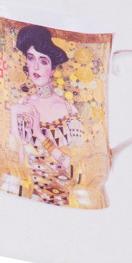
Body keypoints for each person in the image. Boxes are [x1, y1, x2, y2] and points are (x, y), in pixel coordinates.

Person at [7, 25, 102, 207]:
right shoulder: (21, 106)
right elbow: (15, 163)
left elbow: (74, 167)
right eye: (31, 58)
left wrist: (40, 135)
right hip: (25, 196)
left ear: (52, 69)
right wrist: (13, 114)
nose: (35, 66)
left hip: (62, 198)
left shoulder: (69, 111)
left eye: (43, 61)